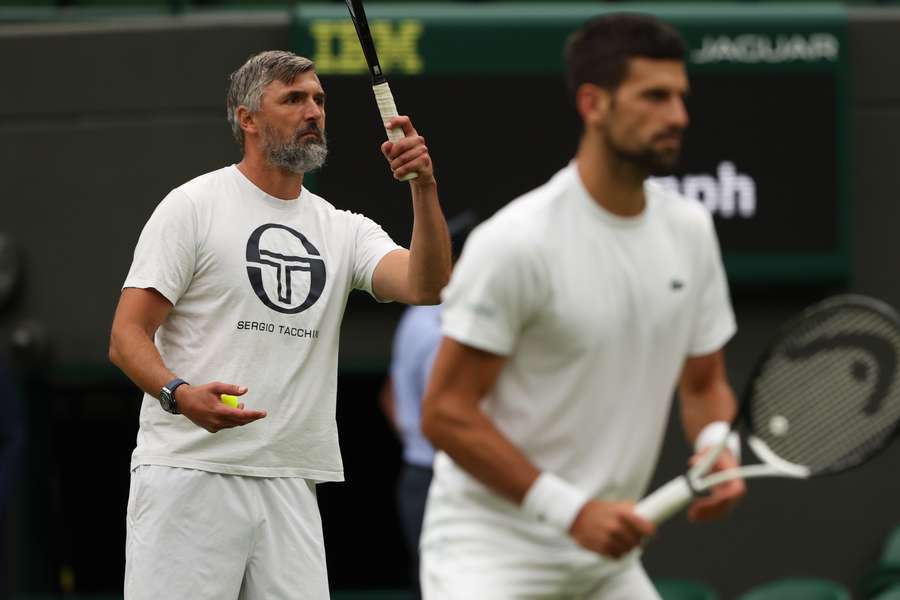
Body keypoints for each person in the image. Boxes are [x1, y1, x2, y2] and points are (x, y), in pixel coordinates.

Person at [419, 14, 746, 599]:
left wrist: (717, 442)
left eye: (680, 96)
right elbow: (445, 411)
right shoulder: (517, 241)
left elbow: (703, 384)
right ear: (594, 104)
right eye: (655, 96)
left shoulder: (690, 231)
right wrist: (570, 510)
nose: (678, 116)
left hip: (607, 563)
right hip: (490, 557)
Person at [109, 50, 451, 600]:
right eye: (293, 99)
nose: (312, 110)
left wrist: (424, 187)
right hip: (190, 474)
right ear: (246, 118)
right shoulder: (193, 205)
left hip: (293, 478)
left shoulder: (343, 228)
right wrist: (179, 394)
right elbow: (126, 338)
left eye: (319, 99)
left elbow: (427, 285)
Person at [380, 211, 475, 599]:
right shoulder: (446, 328)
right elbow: (451, 413)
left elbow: (389, 395)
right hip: (447, 479)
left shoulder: (414, 317)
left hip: (420, 474)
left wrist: (413, 437)